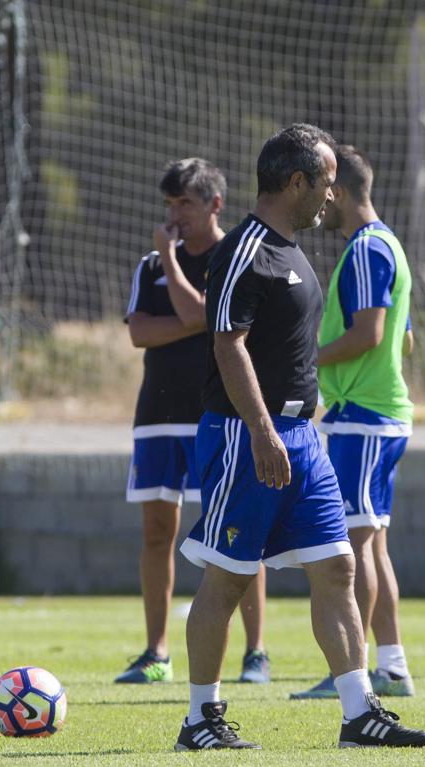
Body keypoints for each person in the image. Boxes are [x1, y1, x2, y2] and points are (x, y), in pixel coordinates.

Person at [174, 124, 425, 751]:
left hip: (302, 437)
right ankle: (199, 720)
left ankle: (358, 713)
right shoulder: (245, 250)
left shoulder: (294, 249)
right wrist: (262, 431)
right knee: (229, 577)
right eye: (324, 181)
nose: (331, 193)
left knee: (339, 566)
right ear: (296, 182)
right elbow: (226, 344)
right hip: (246, 435)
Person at [120, 158, 269, 686]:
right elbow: (139, 331)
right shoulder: (148, 267)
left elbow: (202, 318)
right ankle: (156, 651)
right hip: (157, 416)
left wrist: (176, 277)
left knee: (236, 532)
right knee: (157, 532)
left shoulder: (234, 257)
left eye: (184, 202)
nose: (174, 214)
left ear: (214, 204)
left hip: (218, 416)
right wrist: (187, 316)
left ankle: (256, 652)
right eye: (169, 204)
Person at [290, 144, 417, 701]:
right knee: (374, 543)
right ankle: (392, 664)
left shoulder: (366, 251)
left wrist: (304, 359)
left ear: (336, 190)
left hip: (364, 418)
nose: (317, 203)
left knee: (354, 545)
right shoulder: (384, 244)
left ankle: (358, 670)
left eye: (322, 190)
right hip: (376, 413)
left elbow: (369, 333)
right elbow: (401, 337)